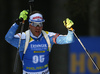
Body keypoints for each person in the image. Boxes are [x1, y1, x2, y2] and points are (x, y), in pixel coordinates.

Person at [5, 10, 74, 74]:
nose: (38, 27)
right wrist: (17, 22)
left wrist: (70, 29)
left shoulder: (48, 37)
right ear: (30, 25)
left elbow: (69, 39)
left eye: (40, 24)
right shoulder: (24, 39)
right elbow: (8, 38)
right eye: (35, 24)